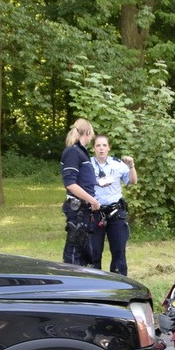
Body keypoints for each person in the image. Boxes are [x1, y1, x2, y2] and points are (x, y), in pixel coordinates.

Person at [89, 135, 137, 276]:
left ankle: (119, 281)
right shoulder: (88, 164)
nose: (101, 149)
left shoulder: (117, 164)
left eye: (104, 145)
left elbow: (133, 181)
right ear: (94, 148)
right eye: (98, 145)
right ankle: (93, 280)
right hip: (96, 211)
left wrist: (131, 166)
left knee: (118, 250)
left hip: (115, 212)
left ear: (109, 147)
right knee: (94, 250)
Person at [60, 118, 101, 266]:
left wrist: (95, 183)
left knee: (83, 251)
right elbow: (70, 183)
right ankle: (70, 283)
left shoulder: (82, 153)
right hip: (77, 208)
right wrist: (93, 200)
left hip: (85, 209)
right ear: (88, 132)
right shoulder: (73, 152)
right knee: (73, 250)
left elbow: (81, 179)